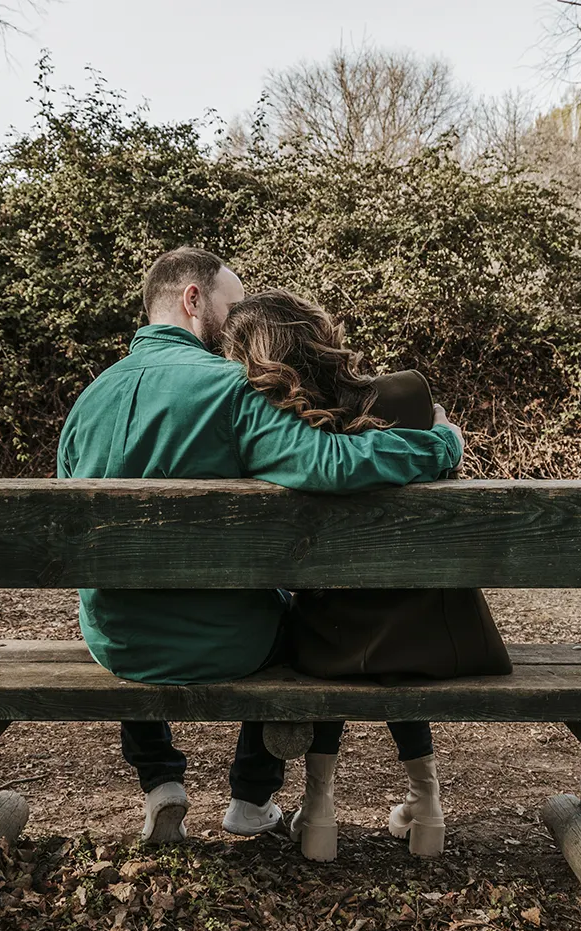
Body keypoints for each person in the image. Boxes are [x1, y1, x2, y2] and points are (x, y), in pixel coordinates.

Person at [55, 247, 465, 845]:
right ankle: (251, 797)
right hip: (229, 645)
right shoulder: (232, 391)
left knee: (121, 597)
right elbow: (330, 462)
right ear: (194, 301)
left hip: (118, 645)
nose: (240, 314)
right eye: (233, 301)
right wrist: (439, 445)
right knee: (291, 616)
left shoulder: (88, 401)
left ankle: (161, 780)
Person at [217, 289, 512, 861]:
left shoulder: (269, 430)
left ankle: (320, 806)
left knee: (329, 616)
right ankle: (427, 803)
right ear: (318, 333)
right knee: (396, 610)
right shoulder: (407, 393)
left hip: (329, 641)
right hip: (433, 632)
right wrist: (445, 441)